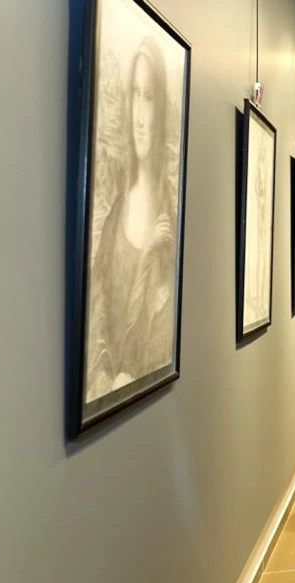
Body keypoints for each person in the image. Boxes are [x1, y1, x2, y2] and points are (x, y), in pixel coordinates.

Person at [85, 36, 178, 403]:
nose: (140, 117)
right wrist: (106, 377)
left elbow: (166, 324)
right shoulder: (114, 217)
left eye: (149, 97)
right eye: (135, 95)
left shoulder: (169, 217)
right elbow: (97, 305)